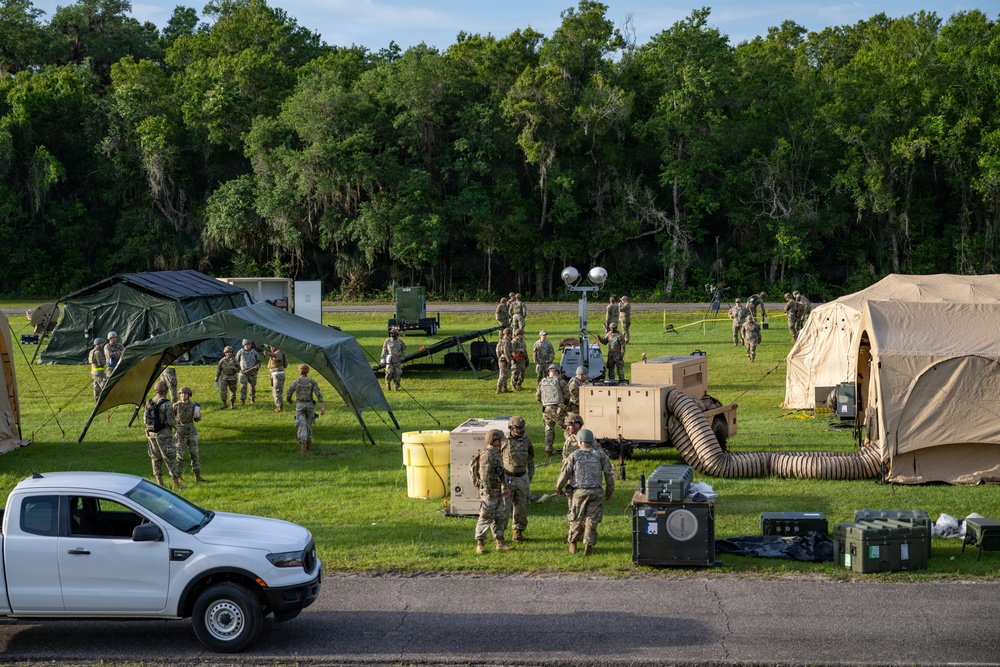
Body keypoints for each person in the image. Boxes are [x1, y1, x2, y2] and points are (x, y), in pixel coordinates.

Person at [556, 428, 615, 555]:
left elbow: (564, 474)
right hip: (596, 492)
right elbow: (609, 474)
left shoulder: (574, 456)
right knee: (591, 520)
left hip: (579, 492)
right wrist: (609, 491)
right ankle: (588, 545)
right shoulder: (600, 455)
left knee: (576, 519)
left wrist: (558, 488)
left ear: (580, 442)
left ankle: (573, 544)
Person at [473, 429, 513, 554]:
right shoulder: (487, 455)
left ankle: (500, 542)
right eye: (499, 439)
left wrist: (505, 487)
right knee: (486, 517)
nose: (501, 442)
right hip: (490, 492)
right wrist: (488, 491)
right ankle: (480, 544)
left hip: (498, 491)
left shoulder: (496, 453)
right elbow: (484, 476)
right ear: (493, 440)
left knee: (500, 517)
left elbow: (500, 473)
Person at [501, 415, 535, 542]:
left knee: (521, 507)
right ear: (511, 428)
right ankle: (499, 536)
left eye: (522, 428)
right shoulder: (503, 440)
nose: (521, 430)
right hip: (507, 479)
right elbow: (496, 459)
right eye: (518, 428)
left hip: (522, 479)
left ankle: (518, 533)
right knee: (504, 508)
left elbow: (531, 459)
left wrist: (529, 476)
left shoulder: (527, 440)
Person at [145, 379, 183, 489]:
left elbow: (145, 420)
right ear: (165, 390)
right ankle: (175, 482)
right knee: (170, 457)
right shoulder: (166, 404)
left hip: (152, 435)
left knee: (155, 458)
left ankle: (159, 482)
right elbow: (171, 420)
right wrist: (177, 428)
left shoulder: (149, 403)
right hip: (164, 435)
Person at [286, 364, 326, 454]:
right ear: (307, 371)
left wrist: (289, 400)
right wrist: (322, 407)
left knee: (301, 424)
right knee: (309, 423)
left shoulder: (296, 382)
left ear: (299, 371)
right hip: (310, 405)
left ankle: (303, 447)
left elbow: (289, 393)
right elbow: (319, 394)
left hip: (300, 404)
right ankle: (309, 444)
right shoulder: (311, 381)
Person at [173, 386, 206, 482]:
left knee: (194, 454)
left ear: (189, 395)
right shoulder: (176, 405)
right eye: (182, 394)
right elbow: (170, 418)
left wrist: (198, 415)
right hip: (180, 433)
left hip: (191, 432)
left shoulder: (194, 406)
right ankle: (178, 476)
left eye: (185, 394)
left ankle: (197, 475)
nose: (183, 395)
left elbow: (197, 419)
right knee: (180, 456)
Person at [535, 363, 568, 457]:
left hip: (545, 409)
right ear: (557, 372)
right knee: (566, 428)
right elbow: (567, 394)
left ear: (548, 371)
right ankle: (569, 448)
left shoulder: (542, 381)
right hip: (558, 409)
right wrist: (565, 404)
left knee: (548, 429)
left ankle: (548, 450)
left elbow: (537, 396)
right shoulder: (560, 381)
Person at [235, 339, 261, 405]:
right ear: (243, 345)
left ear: (251, 345)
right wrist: (238, 369)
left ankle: (252, 398)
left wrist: (257, 366)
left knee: (252, 386)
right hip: (243, 372)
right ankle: (243, 400)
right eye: (246, 344)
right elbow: (236, 361)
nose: (247, 346)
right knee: (243, 386)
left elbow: (259, 361)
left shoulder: (254, 352)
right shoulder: (240, 352)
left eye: (248, 344)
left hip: (252, 372)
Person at [263, 344, 288, 412]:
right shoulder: (277, 352)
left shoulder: (278, 352)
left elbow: (276, 356)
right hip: (275, 374)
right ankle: (278, 406)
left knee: (277, 391)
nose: (272, 348)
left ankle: (279, 407)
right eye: (271, 347)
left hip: (278, 375)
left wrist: (268, 353)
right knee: (275, 390)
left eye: (273, 346)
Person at [381, 327, 406, 392]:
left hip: (397, 360)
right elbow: (384, 350)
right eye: (391, 333)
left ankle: (396, 385)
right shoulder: (387, 341)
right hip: (389, 360)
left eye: (393, 333)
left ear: (396, 334)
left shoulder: (400, 341)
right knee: (389, 372)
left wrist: (402, 356)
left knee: (398, 373)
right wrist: (383, 358)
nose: (391, 334)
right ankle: (388, 383)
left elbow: (403, 349)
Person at [88, 338, 107, 403]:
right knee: (104, 385)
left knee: (96, 387)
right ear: (98, 344)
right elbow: (101, 363)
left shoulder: (91, 351)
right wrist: (106, 362)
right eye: (101, 343)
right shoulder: (97, 352)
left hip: (93, 371)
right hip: (99, 372)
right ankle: (104, 401)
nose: (102, 345)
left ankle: (97, 401)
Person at [495, 327, 512, 394]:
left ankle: (504, 388)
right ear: (508, 334)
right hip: (504, 360)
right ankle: (499, 388)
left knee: (505, 374)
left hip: (502, 359)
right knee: (503, 375)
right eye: (510, 333)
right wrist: (509, 360)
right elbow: (506, 351)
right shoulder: (506, 341)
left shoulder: (502, 340)